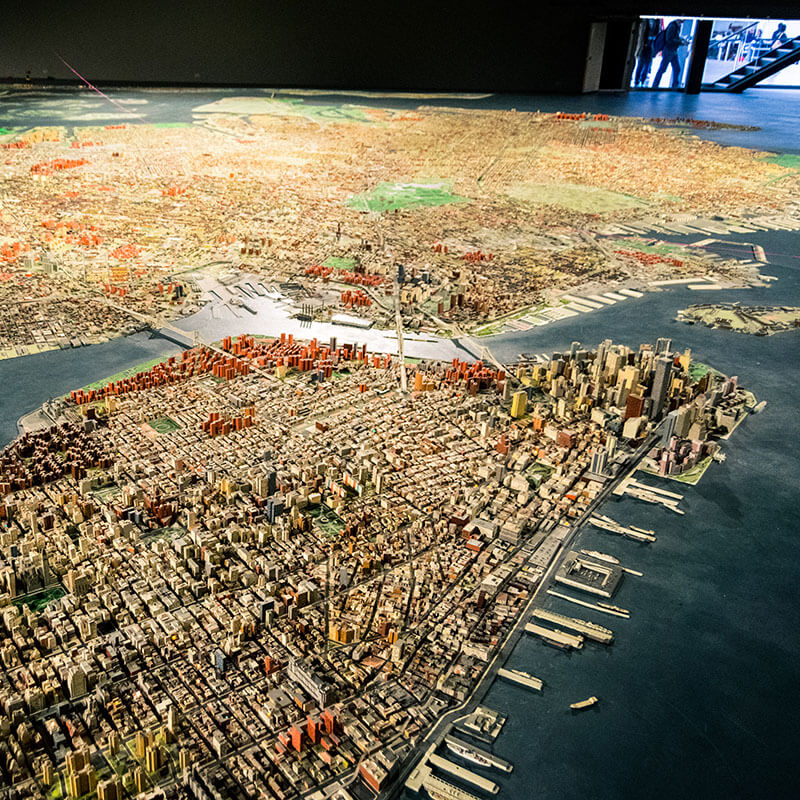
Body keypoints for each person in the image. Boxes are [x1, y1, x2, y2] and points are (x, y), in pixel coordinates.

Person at [652, 19, 688, 89]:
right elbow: (669, 40)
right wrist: (680, 42)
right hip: (669, 51)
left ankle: (673, 85)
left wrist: (681, 40)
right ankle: (656, 85)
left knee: (676, 68)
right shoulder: (673, 26)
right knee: (664, 68)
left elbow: (673, 38)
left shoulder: (676, 26)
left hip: (672, 51)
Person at [634, 19, 660, 87]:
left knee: (647, 65)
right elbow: (641, 34)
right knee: (640, 64)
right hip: (643, 46)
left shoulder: (657, 22)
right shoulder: (645, 21)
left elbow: (657, 34)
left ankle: (642, 80)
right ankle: (636, 81)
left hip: (650, 47)